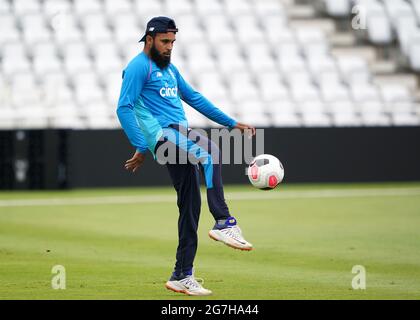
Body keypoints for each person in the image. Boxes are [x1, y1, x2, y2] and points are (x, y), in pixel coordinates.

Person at [117, 16, 256, 296]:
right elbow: (124, 107)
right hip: (166, 135)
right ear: (149, 39)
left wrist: (231, 123)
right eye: (164, 41)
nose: (169, 47)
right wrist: (143, 145)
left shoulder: (169, 69)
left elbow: (194, 97)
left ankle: (182, 274)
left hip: (179, 135)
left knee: (190, 206)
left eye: (173, 42)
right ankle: (224, 221)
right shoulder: (138, 67)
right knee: (211, 152)